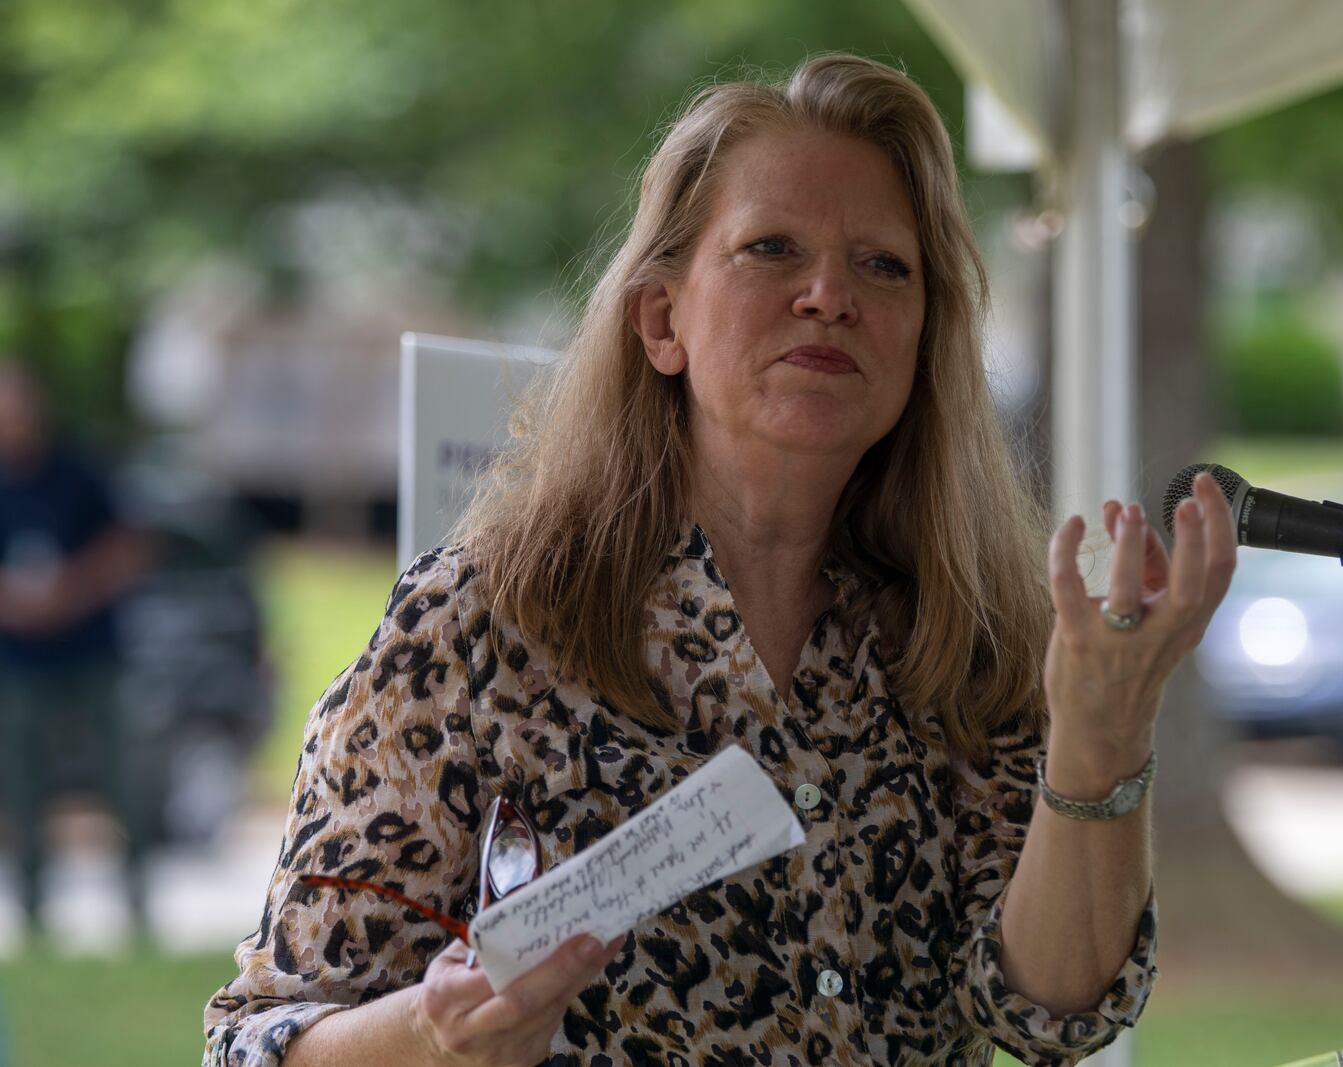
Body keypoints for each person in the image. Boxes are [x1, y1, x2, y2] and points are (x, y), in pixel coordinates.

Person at [204, 54, 1237, 1067]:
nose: (831, 293)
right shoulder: (478, 622)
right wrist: (437, 1039)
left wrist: (1099, 741)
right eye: (772, 248)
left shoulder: (961, 631)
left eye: (884, 264)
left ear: (926, 337)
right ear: (662, 321)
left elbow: (1054, 1011)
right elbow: (258, 1037)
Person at [0, 360, 153, 937]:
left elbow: (130, 549)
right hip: (19, 664)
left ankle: (137, 906)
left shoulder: (79, 474)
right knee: (21, 787)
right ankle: (34, 915)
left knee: (120, 780)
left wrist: (71, 591)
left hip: (91, 657)